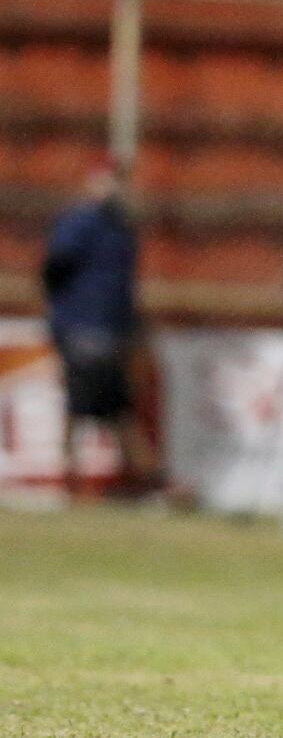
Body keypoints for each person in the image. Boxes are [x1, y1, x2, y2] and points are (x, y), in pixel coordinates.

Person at [41, 159, 158, 495]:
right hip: (82, 324)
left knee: (111, 404)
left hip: (108, 327)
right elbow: (55, 267)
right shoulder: (82, 222)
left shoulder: (121, 229)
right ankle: (73, 478)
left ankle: (135, 479)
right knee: (90, 404)